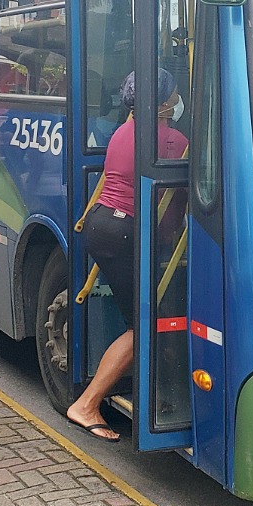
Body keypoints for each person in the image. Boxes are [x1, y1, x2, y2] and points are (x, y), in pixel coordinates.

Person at [65, 69, 186, 443]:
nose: (178, 98)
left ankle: (160, 391)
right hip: (127, 233)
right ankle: (86, 405)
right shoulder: (173, 141)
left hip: (102, 224)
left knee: (147, 316)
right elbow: (181, 202)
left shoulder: (123, 130)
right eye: (175, 93)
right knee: (144, 325)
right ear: (163, 103)